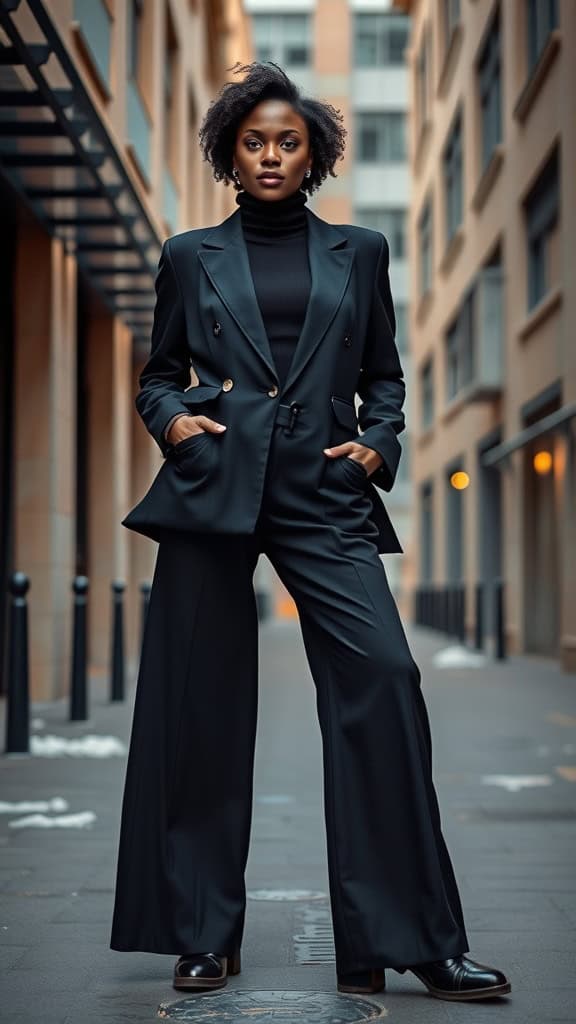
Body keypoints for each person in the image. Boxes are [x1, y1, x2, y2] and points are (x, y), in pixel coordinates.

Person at [110, 61, 511, 1003]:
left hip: (324, 491)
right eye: (254, 141)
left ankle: (410, 935)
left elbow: (386, 377)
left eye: (289, 141)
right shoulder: (188, 255)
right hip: (215, 485)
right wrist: (173, 425)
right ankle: (202, 929)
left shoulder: (361, 253)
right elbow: (159, 374)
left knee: (384, 677)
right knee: (199, 705)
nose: (272, 155)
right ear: (229, 153)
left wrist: (375, 445)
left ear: (316, 153)